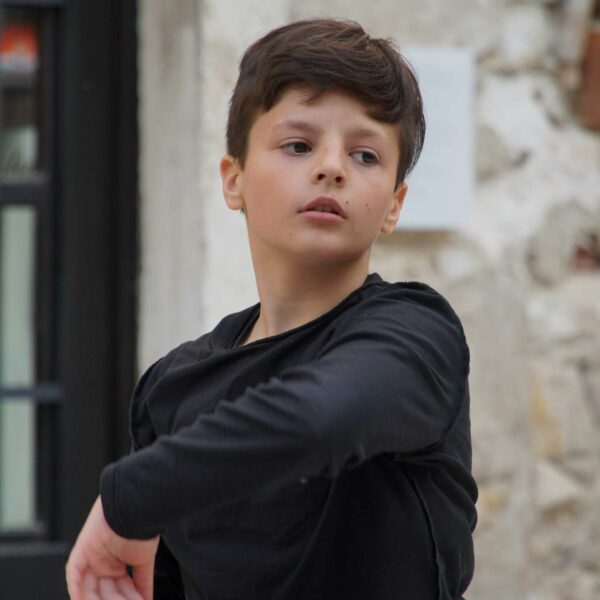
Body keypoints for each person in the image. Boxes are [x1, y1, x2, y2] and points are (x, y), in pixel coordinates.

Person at [66, 18, 478, 600]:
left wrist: (127, 497)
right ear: (233, 180)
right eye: (298, 145)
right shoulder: (174, 386)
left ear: (393, 204)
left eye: (364, 155)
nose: (332, 167)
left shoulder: (416, 335)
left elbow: (325, 418)